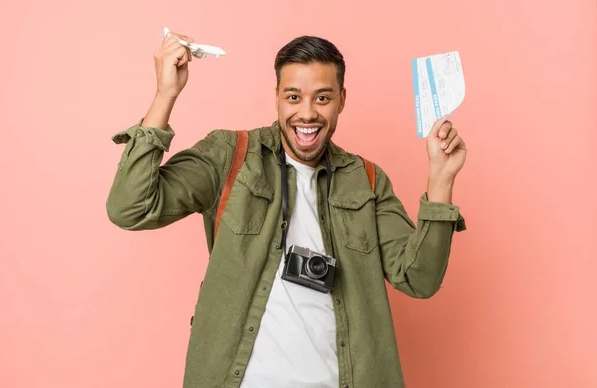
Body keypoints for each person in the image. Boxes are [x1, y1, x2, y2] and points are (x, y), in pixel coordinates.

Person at [106, 30, 467, 388]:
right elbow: (130, 208)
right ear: (277, 97)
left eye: (322, 98)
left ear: (342, 99)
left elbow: (419, 279)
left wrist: (441, 180)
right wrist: (165, 94)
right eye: (293, 96)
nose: (307, 113)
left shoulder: (367, 180)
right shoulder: (230, 155)